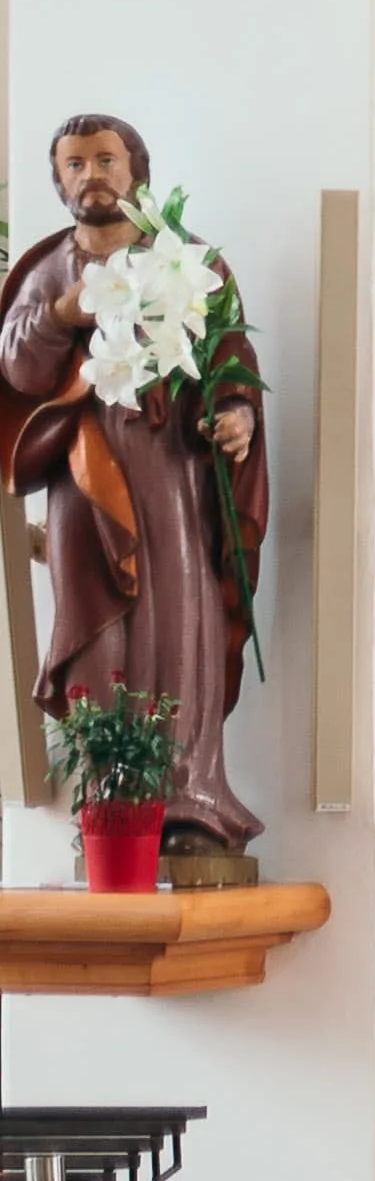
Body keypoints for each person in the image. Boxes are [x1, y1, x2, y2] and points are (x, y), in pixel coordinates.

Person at [1, 112, 268, 861]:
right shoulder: (48, 270)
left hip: (171, 477)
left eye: (106, 160)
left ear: (135, 170)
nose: (92, 175)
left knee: (179, 621)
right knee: (95, 632)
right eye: (75, 164)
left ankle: (189, 798)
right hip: (84, 482)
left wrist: (237, 415)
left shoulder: (188, 262)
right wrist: (64, 312)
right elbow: (18, 368)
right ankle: (114, 799)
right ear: (59, 181)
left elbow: (231, 360)